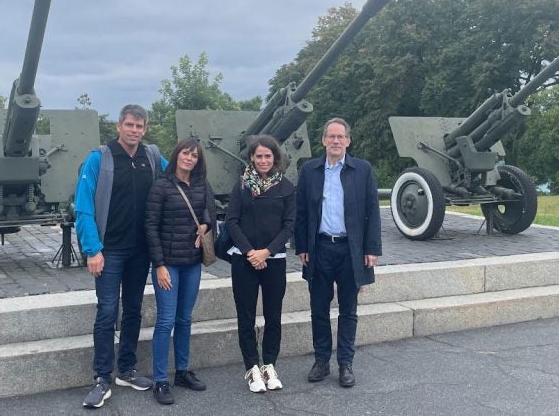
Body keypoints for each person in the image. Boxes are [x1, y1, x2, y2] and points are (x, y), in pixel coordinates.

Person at [74, 104, 167, 409]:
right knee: (106, 311)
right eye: (129, 125)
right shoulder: (99, 158)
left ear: (145, 128)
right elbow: (83, 204)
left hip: (140, 250)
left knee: (134, 309)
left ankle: (126, 368)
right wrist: (92, 249)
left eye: (139, 126)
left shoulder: (152, 157)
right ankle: (102, 377)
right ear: (118, 126)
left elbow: (180, 177)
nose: (134, 131)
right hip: (109, 250)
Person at [295, 117, 381, 388]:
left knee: (348, 310)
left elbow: (372, 212)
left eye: (340, 137)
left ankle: (345, 363)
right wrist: (302, 247)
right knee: (318, 308)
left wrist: (371, 249)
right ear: (323, 140)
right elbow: (300, 213)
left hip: (351, 250)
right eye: (330, 136)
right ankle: (321, 360)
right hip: (319, 248)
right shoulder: (309, 171)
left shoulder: (362, 170)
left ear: (348, 141)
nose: (335, 141)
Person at [144, 137, 214, 405]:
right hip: (168, 265)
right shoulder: (161, 186)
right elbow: (150, 227)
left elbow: (208, 212)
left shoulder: (200, 184)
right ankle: (161, 380)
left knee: (185, 319)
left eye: (194, 155)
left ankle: (182, 371)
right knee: (166, 321)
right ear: (176, 156)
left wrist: (205, 226)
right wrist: (159, 265)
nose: (189, 158)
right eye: (185, 153)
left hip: (192, 263)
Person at [224, 134, 296, 393]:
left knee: (273, 315)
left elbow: (289, 225)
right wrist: (250, 252)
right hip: (244, 261)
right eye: (258, 156)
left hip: (273, 260)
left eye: (268, 156)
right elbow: (231, 221)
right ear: (251, 158)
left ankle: (270, 364)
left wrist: (266, 252)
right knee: (246, 315)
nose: (263, 160)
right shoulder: (241, 185)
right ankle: (252, 367)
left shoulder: (286, 187)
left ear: (274, 158)